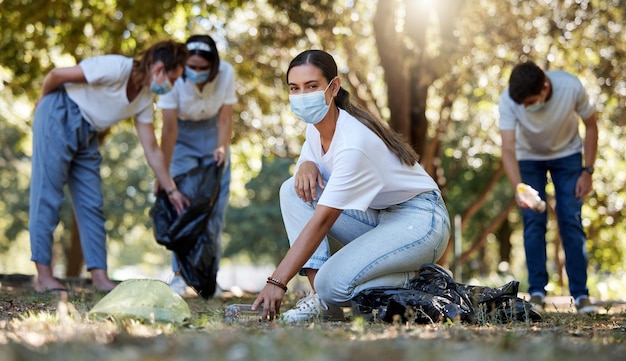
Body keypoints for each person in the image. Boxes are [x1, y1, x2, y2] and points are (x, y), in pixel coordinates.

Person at [251, 50, 451, 323]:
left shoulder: (354, 141)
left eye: (311, 87)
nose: (302, 96)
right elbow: (311, 164)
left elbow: (322, 221)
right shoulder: (317, 127)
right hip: (381, 217)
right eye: (294, 88)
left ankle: (421, 278)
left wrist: (277, 281)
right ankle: (321, 300)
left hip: (421, 222)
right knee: (291, 190)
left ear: (333, 87)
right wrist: (305, 164)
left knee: (333, 285)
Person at [30, 40, 191, 294]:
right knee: (48, 194)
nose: (171, 86)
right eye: (173, 78)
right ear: (159, 69)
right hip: (59, 113)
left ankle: (100, 277)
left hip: (88, 133)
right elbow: (56, 75)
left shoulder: (145, 99)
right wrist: (42, 102)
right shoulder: (116, 67)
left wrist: (171, 190)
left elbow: (151, 148)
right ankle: (43, 276)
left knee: (91, 203)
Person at [498, 60, 599, 313]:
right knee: (533, 220)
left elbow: (591, 124)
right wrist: (519, 187)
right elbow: (508, 148)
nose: (525, 108)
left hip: (568, 156)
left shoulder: (571, 86)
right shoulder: (509, 99)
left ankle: (581, 295)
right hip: (528, 158)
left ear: (544, 88)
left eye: (530, 103)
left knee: (570, 219)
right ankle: (536, 293)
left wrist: (588, 171)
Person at [156, 34, 237, 296]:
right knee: (183, 208)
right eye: (192, 67)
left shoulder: (226, 73)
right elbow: (168, 129)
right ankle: (180, 275)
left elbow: (226, 118)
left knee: (214, 212)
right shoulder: (173, 78)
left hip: (214, 135)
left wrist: (222, 147)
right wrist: (163, 171)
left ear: (213, 66)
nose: (197, 72)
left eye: (203, 68)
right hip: (181, 138)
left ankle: (208, 278)